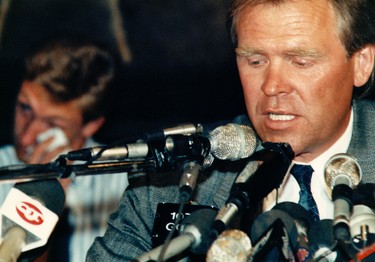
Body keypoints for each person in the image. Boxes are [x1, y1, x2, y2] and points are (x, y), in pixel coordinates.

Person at [86, 0, 375, 260]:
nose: (272, 86)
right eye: (255, 61)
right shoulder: (171, 178)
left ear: (362, 64)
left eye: (301, 61)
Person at [0, 36, 129, 261]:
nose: (28, 136)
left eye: (53, 124)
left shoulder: (125, 184)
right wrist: (37, 197)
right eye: (25, 108)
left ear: (91, 125)